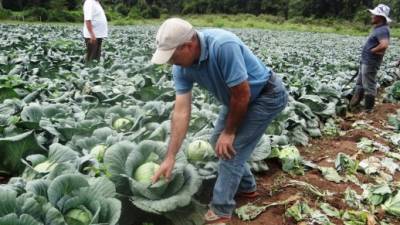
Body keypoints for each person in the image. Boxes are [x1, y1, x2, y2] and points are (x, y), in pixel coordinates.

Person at [150, 18, 288, 225]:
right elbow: (181, 112)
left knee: (232, 150)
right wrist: (170, 157)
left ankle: (221, 209)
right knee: (217, 142)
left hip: (265, 96)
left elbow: (243, 94)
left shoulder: (223, 45)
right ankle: (248, 187)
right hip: (234, 99)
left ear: (189, 46)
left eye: (172, 57)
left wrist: (230, 132)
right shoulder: (181, 67)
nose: (171, 62)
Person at [349, 4, 391, 112]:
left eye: (374, 15)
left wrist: (372, 51)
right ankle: (354, 106)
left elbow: (384, 45)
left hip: (370, 62)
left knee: (369, 85)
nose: (372, 17)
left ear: (380, 17)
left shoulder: (382, 30)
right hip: (367, 61)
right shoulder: (378, 29)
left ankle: (368, 110)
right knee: (360, 84)